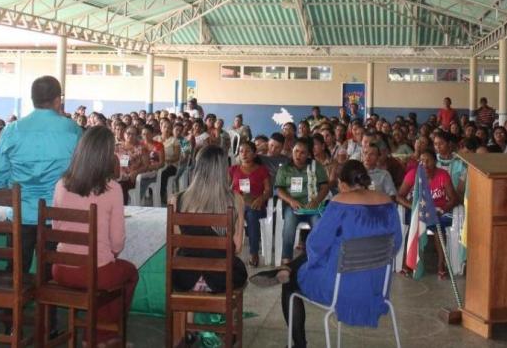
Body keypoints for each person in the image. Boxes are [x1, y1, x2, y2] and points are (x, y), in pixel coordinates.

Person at [252, 160, 401, 348]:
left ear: (343, 183)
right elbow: (395, 245)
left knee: (290, 284)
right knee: (325, 254)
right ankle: (287, 269)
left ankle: (299, 344)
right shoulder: (387, 203)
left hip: (340, 287)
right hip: (376, 286)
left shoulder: (339, 203)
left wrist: (323, 255)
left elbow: (315, 244)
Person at [0, 76, 82, 332]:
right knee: (50, 272)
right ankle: (48, 325)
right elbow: (80, 172)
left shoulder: (12, 130)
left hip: (20, 213)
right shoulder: (72, 130)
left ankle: (10, 325)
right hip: (56, 214)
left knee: (15, 268)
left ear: (32, 100)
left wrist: (16, 190)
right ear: (57, 100)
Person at [51, 126, 139, 346]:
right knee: (128, 274)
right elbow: (117, 241)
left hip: (61, 269)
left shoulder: (61, 184)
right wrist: (110, 255)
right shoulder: (112, 189)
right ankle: (103, 335)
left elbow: (57, 227)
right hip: (94, 272)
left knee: (108, 275)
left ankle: (100, 335)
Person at [171, 145, 246, 292]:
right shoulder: (236, 200)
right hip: (222, 277)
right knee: (237, 269)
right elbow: (237, 247)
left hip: (184, 277)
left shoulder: (176, 200)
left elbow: (177, 242)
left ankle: (187, 314)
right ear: (224, 169)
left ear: (197, 167)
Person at [397, 149, 458, 279]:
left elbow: (453, 198)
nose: (424, 164)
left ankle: (441, 266)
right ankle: (406, 265)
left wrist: (443, 209)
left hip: (438, 211)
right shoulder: (413, 174)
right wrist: (413, 207)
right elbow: (399, 196)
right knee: (413, 227)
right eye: (422, 161)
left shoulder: (443, 175)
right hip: (418, 211)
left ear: (435, 162)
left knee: (438, 227)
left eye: (428, 160)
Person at [275, 140, 329, 264]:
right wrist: (291, 200)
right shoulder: (285, 169)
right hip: (293, 207)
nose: (298, 155)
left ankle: (318, 258)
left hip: (313, 206)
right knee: (289, 226)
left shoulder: (316, 166)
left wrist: (316, 201)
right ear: (292, 152)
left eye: (302, 153)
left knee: (319, 226)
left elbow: (325, 188)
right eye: (296, 151)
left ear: (308, 155)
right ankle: (286, 260)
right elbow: (279, 190)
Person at [229, 141, 271, 267]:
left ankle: (254, 253)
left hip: (255, 205)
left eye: (247, 151)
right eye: (241, 151)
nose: (244, 154)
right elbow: (224, 188)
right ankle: (229, 250)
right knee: (228, 214)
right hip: (237, 205)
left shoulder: (262, 170)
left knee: (252, 216)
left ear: (254, 154)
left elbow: (268, 190)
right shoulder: (233, 169)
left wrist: (261, 199)